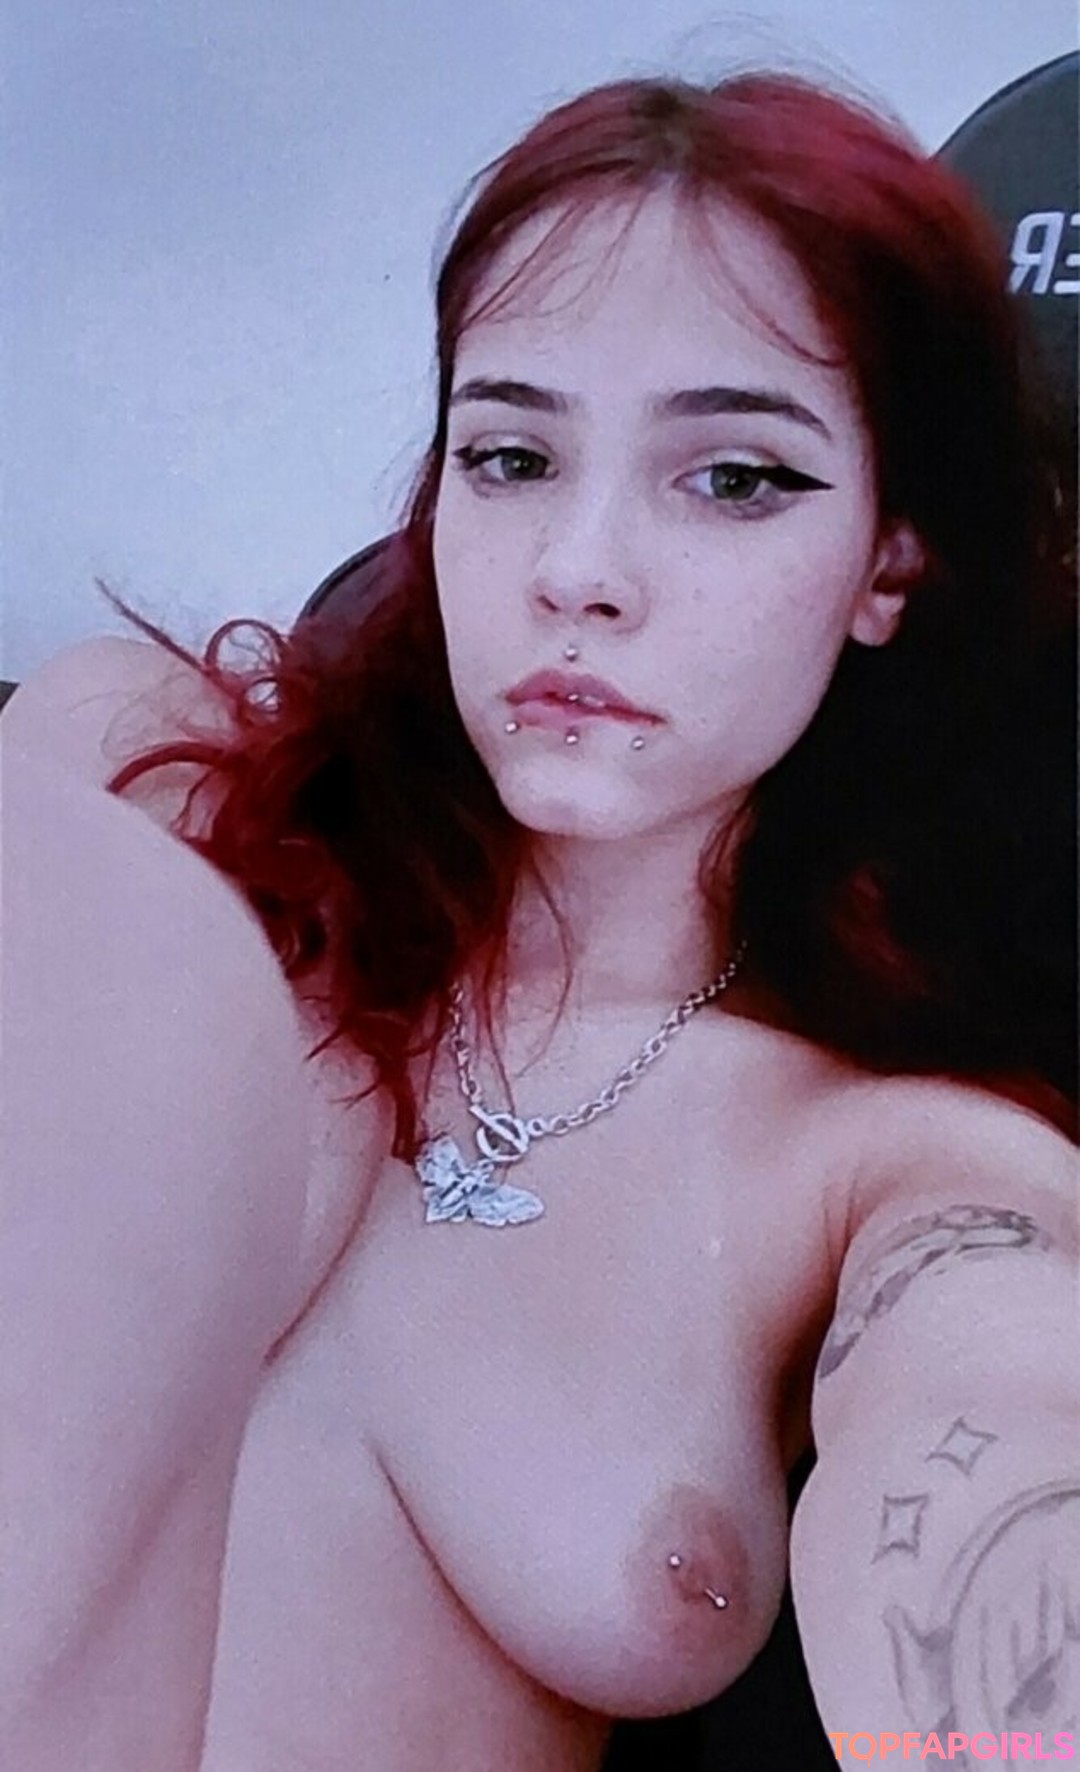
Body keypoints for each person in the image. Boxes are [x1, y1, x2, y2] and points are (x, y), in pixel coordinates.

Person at [2, 69, 1076, 1772]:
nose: (579, 567)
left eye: (735, 478)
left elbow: (1006, 1452)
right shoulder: (145, 799)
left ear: (890, 564)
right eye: (510, 455)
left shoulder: (890, 1169)